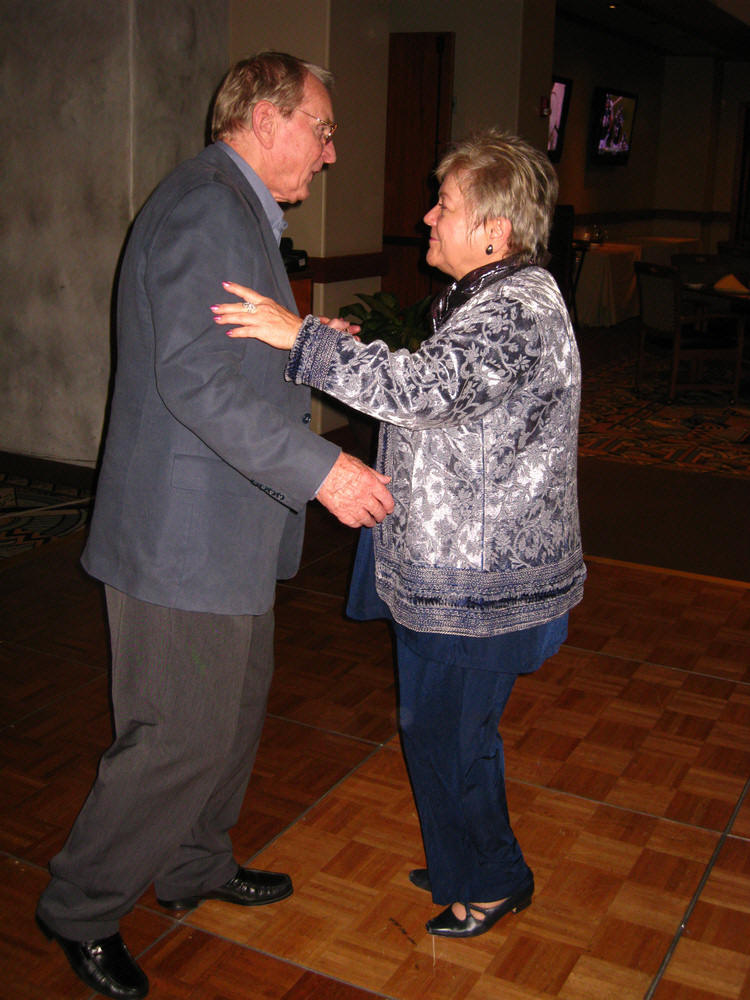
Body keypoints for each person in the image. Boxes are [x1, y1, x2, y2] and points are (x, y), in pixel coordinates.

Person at [35, 51, 393, 1000]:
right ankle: (81, 908)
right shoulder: (204, 206)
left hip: (226, 534)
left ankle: (194, 866)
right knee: (177, 736)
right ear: (264, 118)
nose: (329, 152)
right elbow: (189, 380)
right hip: (180, 541)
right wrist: (326, 470)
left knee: (227, 722)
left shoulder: (236, 210)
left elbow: (226, 352)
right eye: (321, 128)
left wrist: (310, 351)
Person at [211, 128, 586, 940]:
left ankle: (492, 877)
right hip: (453, 567)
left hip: (479, 583)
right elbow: (447, 396)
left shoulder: (516, 310)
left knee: (451, 735)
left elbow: (425, 389)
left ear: (494, 228)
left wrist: (300, 335)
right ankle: (463, 852)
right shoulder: (495, 298)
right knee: (438, 728)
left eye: (443, 206)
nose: (425, 217)